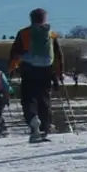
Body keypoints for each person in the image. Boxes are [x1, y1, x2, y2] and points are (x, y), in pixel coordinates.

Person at [7, 9, 64, 144]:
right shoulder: (51, 34)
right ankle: (45, 128)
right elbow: (58, 55)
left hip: (28, 69)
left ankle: (33, 121)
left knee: (28, 98)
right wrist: (59, 74)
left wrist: (11, 68)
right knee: (44, 99)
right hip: (46, 70)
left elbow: (15, 52)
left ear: (31, 18)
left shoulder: (23, 33)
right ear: (45, 18)